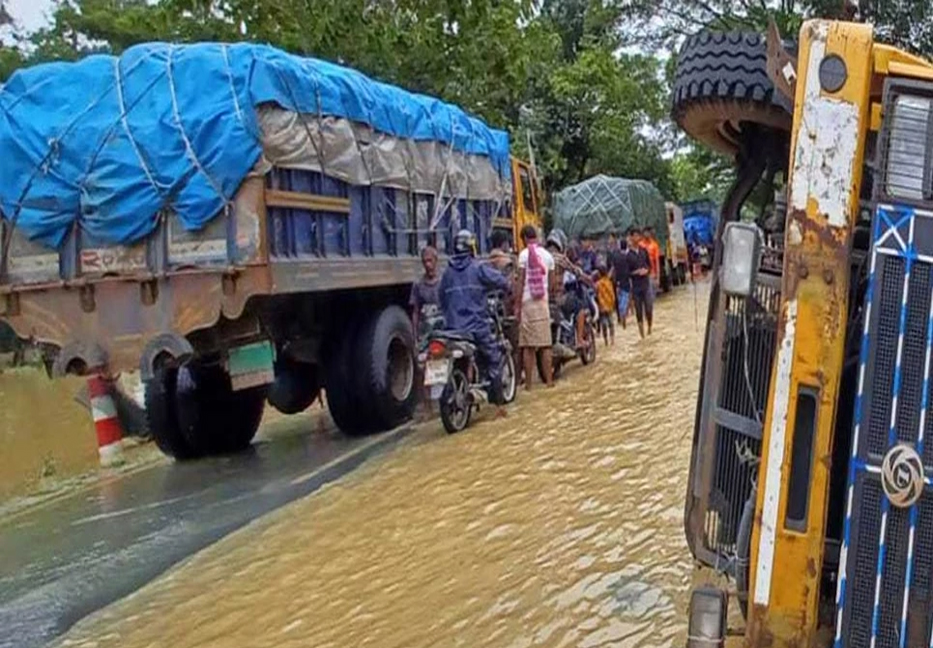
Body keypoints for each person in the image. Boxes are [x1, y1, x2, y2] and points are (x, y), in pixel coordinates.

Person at [439, 229, 511, 412]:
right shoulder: (478, 268)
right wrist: (508, 285)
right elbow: (501, 281)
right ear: (472, 247)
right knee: (494, 357)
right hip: (476, 327)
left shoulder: (447, 273)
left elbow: (442, 300)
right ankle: (498, 406)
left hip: (452, 329)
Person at [516, 225, 555, 390]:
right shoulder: (548, 256)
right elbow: (552, 284)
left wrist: (517, 304)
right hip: (542, 303)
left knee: (528, 346)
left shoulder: (523, 255)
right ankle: (549, 382)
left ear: (524, 238)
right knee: (545, 344)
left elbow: (520, 281)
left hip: (527, 303)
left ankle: (529, 386)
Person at [410, 245, 441, 340]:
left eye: (430, 260)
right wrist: (415, 336)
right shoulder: (418, 284)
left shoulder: (444, 282)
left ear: (436, 260)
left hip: (442, 330)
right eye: (425, 261)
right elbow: (416, 311)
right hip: (425, 332)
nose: (427, 265)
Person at [627, 228, 653, 338]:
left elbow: (649, 265)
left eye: (638, 236)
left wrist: (646, 271)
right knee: (638, 310)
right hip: (636, 287)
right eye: (635, 236)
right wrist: (636, 272)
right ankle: (642, 334)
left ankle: (650, 328)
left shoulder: (644, 251)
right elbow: (627, 273)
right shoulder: (628, 256)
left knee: (648, 307)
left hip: (646, 284)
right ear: (631, 237)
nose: (637, 238)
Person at [609, 236, 631, 328]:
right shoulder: (628, 257)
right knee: (625, 298)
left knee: (619, 298)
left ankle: (621, 316)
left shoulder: (615, 256)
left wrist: (610, 277)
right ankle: (623, 314)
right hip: (626, 280)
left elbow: (613, 268)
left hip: (617, 281)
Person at [595, 264, 615, 346]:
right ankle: (612, 339)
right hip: (609, 305)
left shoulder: (598, 284)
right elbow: (612, 294)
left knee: (604, 324)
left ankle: (606, 340)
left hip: (602, 306)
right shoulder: (608, 282)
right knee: (611, 323)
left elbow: (597, 294)